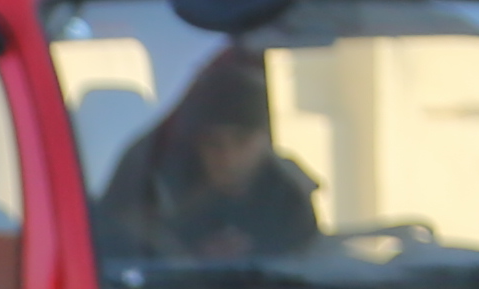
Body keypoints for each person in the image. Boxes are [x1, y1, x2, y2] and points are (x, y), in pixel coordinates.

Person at [95, 44, 324, 266]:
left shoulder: (289, 199)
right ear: (196, 145)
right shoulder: (152, 190)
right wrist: (194, 263)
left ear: (264, 141)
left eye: (242, 141)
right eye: (213, 143)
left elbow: (305, 268)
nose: (228, 157)